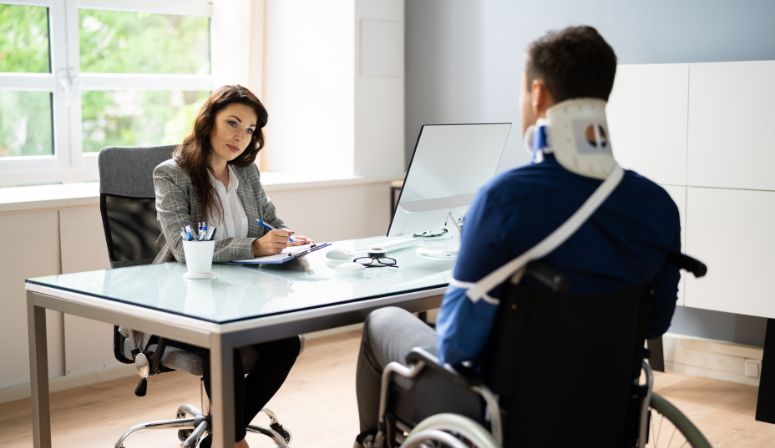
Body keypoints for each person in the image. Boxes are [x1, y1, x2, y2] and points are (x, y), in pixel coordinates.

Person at [353, 25, 682, 446]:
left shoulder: (506, 199)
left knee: (382, 321)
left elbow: (456, 346)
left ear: (539, 95)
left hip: (503, 410)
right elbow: (655, 321)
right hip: (607, 404)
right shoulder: (657, 205)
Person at [153, 84, 308, 448]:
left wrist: (289, 238)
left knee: (285, 344)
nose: (241, 136)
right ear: (209, 121)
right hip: (187, 299)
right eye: (233, 123)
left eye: (250, 129)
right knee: (223, 347)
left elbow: (268, 219)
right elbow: (180, 246)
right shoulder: (172, 174)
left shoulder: (246, 172)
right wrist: (253, 247)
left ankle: (219, 436)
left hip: (243, 295)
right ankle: (233, 440)